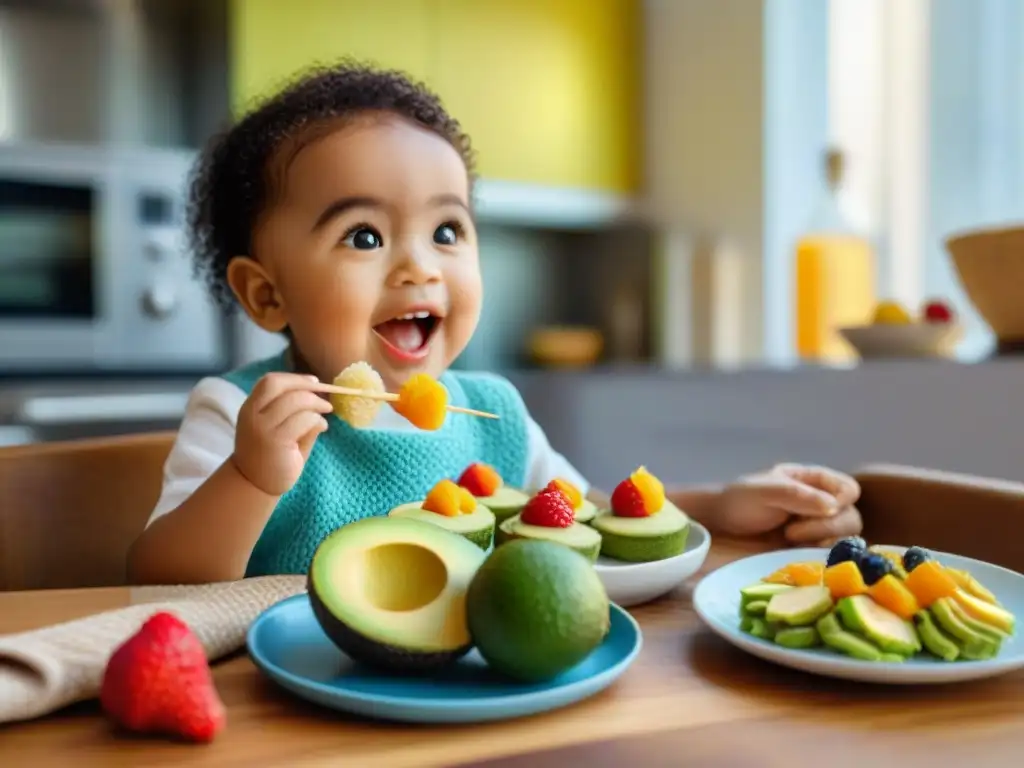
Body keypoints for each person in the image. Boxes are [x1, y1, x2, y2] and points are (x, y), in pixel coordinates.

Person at [127, 62, 862, 585]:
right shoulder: (238, 415)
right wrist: (251, 479)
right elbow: (159, 577)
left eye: (447, 232)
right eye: (364, 237)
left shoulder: (497, 416)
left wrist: (723, 505)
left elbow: (595, 516)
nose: (421, 268)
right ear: (265, 296)